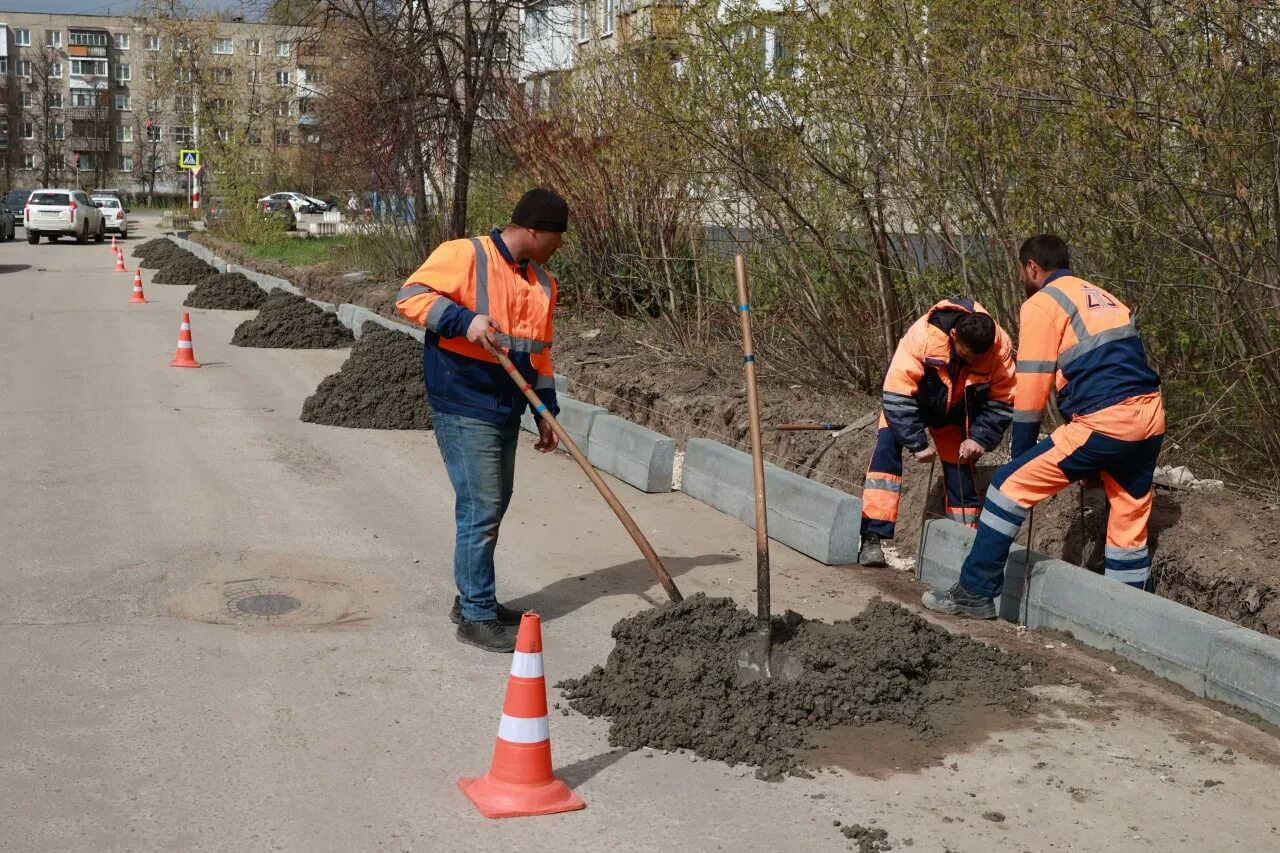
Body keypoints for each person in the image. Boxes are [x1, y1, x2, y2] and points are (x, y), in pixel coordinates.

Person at [922, 234, 1165, 619]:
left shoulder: (1043, 304)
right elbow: (1114, 369)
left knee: (1007, 487)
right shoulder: (1106, 298)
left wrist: (1020, 455)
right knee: (1128, 520)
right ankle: (1131, 616)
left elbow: (1032, 385)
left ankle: (975, 591)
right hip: (1150, 419)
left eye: (1022, 271)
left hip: (1106, 421)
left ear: (1032, 268)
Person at [395, 188, 568, 652]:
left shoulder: (544, 284)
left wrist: (545, 412)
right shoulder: (465, 254)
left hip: (508, 405)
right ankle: (475, 614)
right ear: (533, 229)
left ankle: (475, 597)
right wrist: (462, 320)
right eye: (556, 235)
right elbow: (409, 296)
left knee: (493, 503)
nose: (560, 245)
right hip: (463, 397)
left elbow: (541, 356)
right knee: (481, 507)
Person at [859, 299, 1016, 567]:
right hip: (911, 404)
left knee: (960, 471)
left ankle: (964, 545)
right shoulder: (921, 338)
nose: (971, 362)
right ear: (954, 335)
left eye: (977, 359)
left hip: (954, 410)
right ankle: (872, 539)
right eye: (966, 356)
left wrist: (980, 437)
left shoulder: (999, 348)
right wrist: (916, 443)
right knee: (886, 455)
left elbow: (1003, 401)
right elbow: (896, 396)